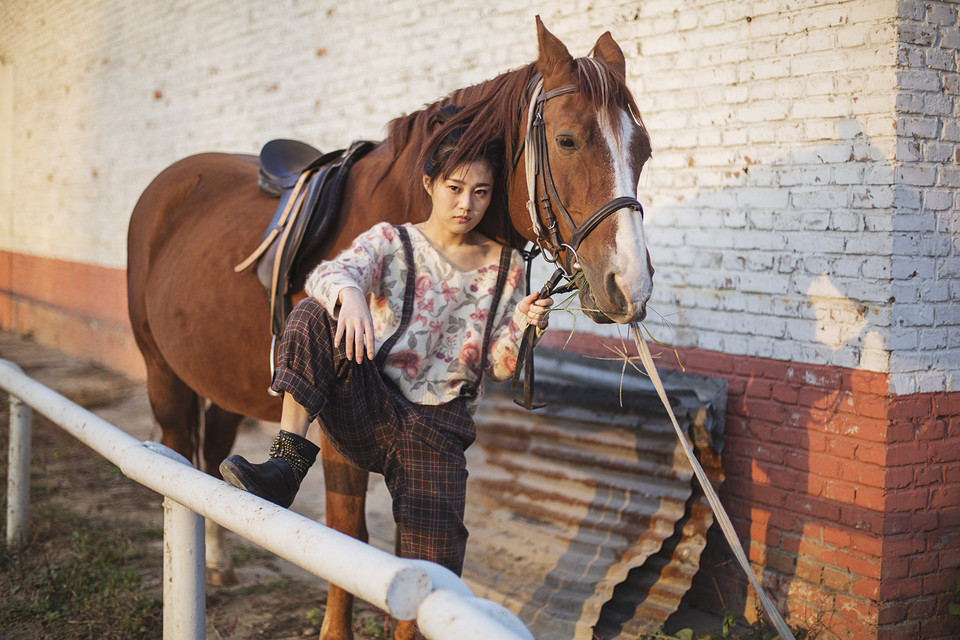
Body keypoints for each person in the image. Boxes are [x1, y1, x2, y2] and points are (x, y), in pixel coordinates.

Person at [220, 110, 553, 576]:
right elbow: (327, 275)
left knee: (432, 578)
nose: (466, 204)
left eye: (481, 192)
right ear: (429, 184)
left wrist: (522, 323)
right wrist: (352, 294)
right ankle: (286, 465)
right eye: (454, 188)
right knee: (317, 310)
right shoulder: (390, 241)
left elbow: (499, 367)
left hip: (439, 429)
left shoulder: (507, 267)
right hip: (370, 405)